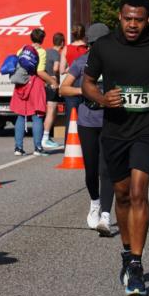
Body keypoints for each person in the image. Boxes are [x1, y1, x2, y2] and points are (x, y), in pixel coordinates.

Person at [81, 0, 149, 296]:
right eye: (128, 18)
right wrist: (100, 98)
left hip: (147, 128)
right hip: (114, 130)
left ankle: (136, 264)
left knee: (139, 191)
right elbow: (87, 81)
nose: (133, 24)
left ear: (148, 20)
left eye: (139, 19)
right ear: (119, 17)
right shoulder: (104, 46)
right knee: (122, 195)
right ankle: (127, 253)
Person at [59, 23, 116, 236]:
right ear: (91, 44)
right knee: (91, 169)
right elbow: (62, 87)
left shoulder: (115, 63)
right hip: (87, 122)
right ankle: (95, 203)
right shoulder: (81, 62)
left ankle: (106, 216)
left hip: (111, 121)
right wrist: (83, 91)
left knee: (106, 169)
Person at [10, 28, 57, 156]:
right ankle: (37, 147)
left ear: (31, 38)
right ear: (42, 39)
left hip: (21, 85)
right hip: (35, 84)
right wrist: (52, 82)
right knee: (37, 116)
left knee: (20, 116)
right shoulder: (41, 52)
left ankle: (18, 148)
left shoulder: (22, 49)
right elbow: (40, 71)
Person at [42, 32, 67, 150]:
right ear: (62, 42)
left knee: (50, 111)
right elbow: (56, 68)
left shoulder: (46, 52)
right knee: (51, 111)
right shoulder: (57, 54)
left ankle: (46, 137)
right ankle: (45, 138)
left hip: (45, 84)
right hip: (52, 85)